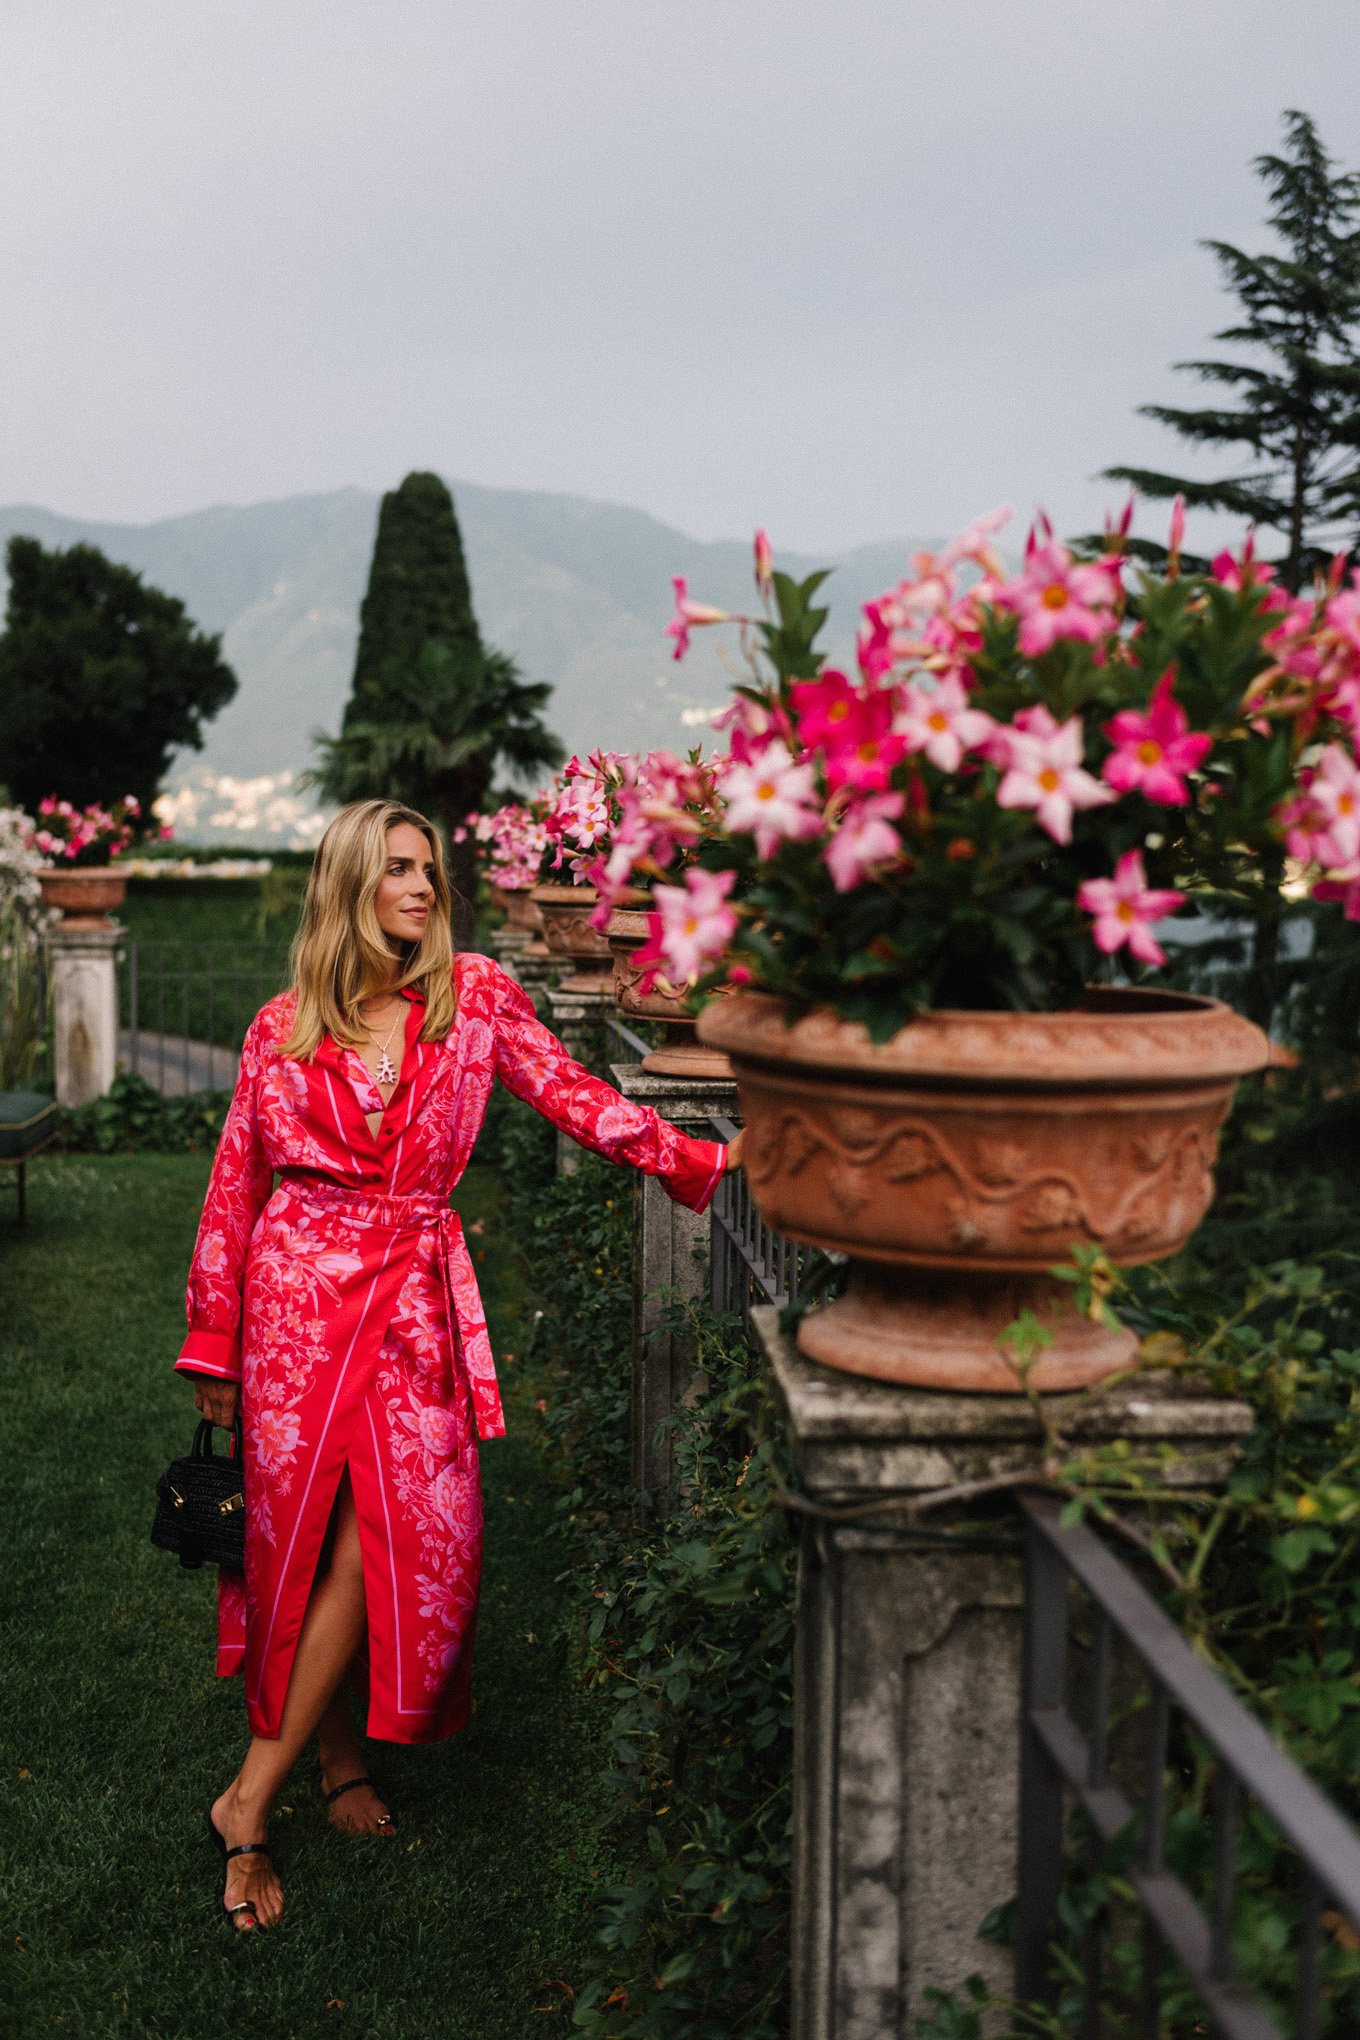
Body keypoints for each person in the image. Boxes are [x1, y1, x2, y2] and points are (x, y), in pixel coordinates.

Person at [178, 798, 741, 1932]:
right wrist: (213, 1337)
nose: (422, 888)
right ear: (349, 885)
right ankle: (310, 1781)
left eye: (429, 868)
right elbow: (237, 1185)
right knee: (303, 1544)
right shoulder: (279, 1027)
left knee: (414, 1534)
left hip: (413, 1303)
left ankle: (247, 1794)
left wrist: (694, 1158)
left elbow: (573, 1095)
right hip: (293, 1304)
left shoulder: (474, 996)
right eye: (396, 869)